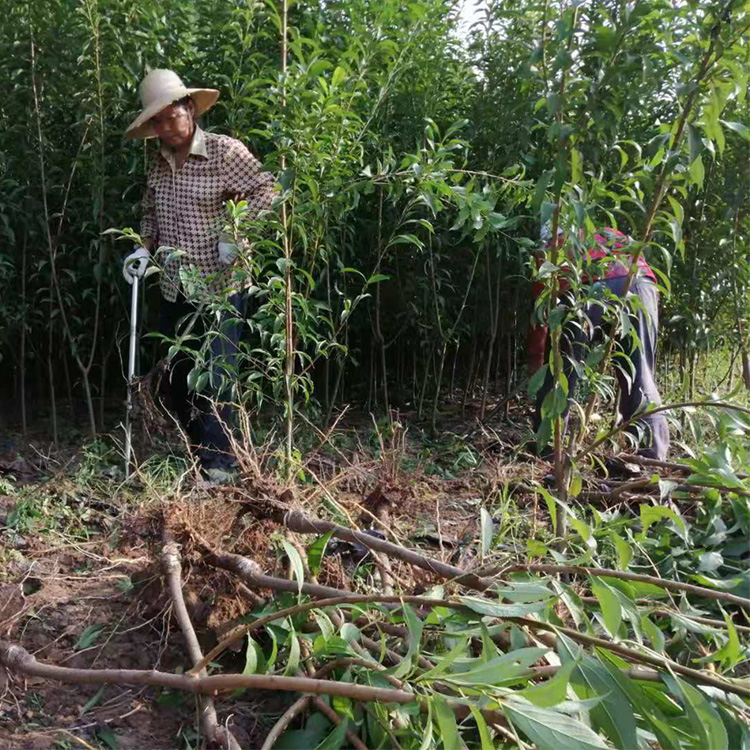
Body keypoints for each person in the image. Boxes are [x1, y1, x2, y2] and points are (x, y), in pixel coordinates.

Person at [122, 69, 275, 475]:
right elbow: (151, 212)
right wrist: (143, 246)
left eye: (172, 116)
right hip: (174, 285)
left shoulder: (225, 152)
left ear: (189, 109)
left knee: (215, 377)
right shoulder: (158, 162)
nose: (166, 127)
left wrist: (236, 233)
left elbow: (267, 190)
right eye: (157, 121)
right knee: (179, 377)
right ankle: (200, 457)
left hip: (219, 284)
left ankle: (221, 466)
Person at [528, 224, 670, 460]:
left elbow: (541, 319)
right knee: (640, 373)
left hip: (589, 286)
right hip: (642, 285)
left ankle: (547, 448)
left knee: (561, 368)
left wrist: (536, 367)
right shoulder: (604, 233)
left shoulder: (553, 251)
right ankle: (650, 457)